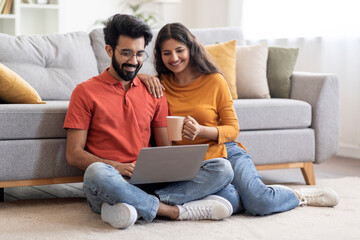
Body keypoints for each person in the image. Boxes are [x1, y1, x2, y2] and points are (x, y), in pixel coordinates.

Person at [138, 22, 339, 217]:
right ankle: (237, 191)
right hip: (189, 160)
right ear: (160, 55)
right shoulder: (159, 84)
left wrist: (201, 131)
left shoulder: (214, 80)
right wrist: (143, 77)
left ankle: (297, 195)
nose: (174, 58)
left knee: (260, 202)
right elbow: (128, 80)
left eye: (179, 50)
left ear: (190, 49)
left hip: (225, 150)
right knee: (232, 199)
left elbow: (233, 129)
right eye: (167, 53)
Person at [63, 15, 236, 229]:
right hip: (112, 179)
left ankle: (131, 205)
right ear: (109, 51)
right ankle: (171, 211)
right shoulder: (85, 92)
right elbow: (74, 153)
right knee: (96, 172)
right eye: (126, 53)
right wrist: (118, 167)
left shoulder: (154, 91)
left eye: (139, 54)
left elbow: (165, 149)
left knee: (223, 169)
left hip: (148, 179)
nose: (134, 61)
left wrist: (174, 167)